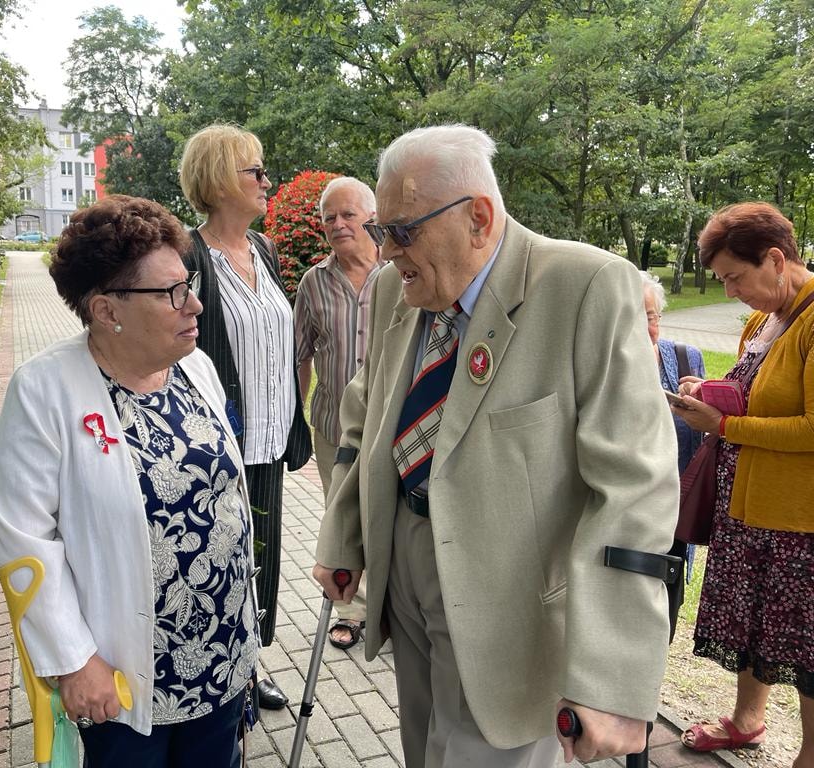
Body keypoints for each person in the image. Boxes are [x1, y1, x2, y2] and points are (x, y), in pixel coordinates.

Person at [312, 124, 680, 768]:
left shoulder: (586, 285)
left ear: (477, 218)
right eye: (381, 230)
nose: (387, 251)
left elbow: (635, 485)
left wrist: (612, 677)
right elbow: (364, 414)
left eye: (402, 231)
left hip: (511, 598)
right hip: (406, 559)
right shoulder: (403, 288)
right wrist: (344, 537)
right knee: (425, 750)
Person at [0, 196, 260, 767]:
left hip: (223, 650)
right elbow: (24, 538)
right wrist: (73, 660)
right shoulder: (44, 391)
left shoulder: (196, 368)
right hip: (125, 674)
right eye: (172, 292)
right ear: (107, 309)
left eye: (189, 284)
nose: (195, 303)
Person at [672, 202, 814, 763]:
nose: (730, 292)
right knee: (755, 625)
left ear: (775, 260)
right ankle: (747, 721)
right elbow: (755, 394)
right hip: (748, 507)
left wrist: (725, 425)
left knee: (803, 644)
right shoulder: (765, 319)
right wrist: (709, 390)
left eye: (735, 277)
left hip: (799, 519)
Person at [178, 124, 312, 711]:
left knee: (264, 562)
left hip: (271, 441)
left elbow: (278, 342)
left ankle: (249, 666)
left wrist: (296, 420)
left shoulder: (265, 250)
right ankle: (219, 676)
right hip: (220, 446)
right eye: (254, 170)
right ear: (217, 180)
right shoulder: (188, 255)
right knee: (220, 563)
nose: (266, 180)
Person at [294, 176, 386, 650]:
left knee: (388, 520)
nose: (337, 224)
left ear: (372, 217)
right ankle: (352, 609)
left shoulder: (398, 272)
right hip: (334, 427)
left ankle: (392, 606)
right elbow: (301, 355)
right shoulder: (314, 282)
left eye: (348, 214)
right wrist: (296, 412)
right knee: (341, 519)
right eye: (329, 217)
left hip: (391, 428)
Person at [639, 270, 706, 641]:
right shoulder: (597, 361)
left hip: (673, 517)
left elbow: (705, 433)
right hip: (620, 516)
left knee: (664, 616)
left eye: (650, 317)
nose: (642, 327)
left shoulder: (685, 358)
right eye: (630, 317)